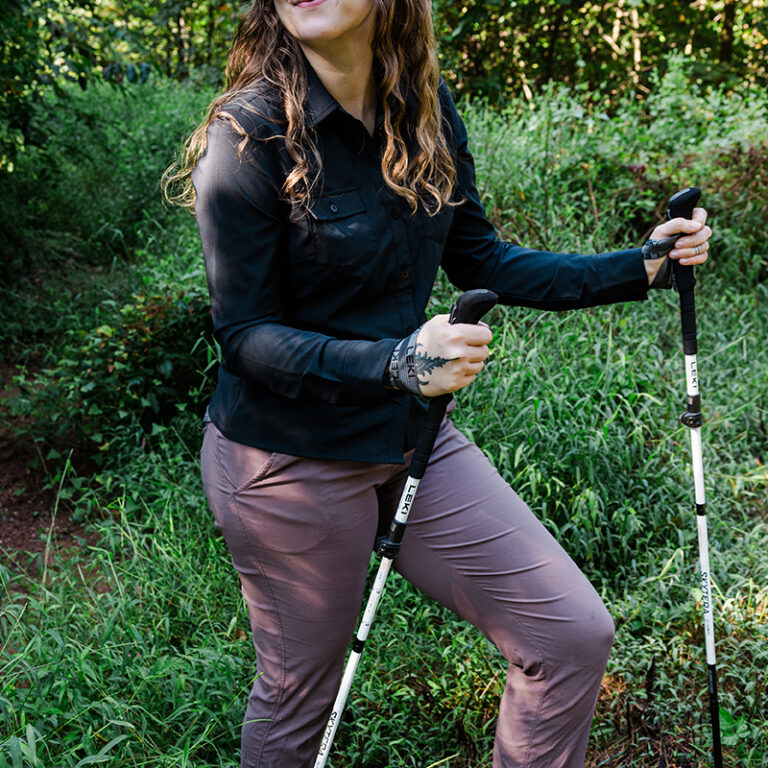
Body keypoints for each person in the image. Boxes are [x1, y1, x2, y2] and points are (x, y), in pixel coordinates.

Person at [164, 1, 712, 766]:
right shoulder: (248, 135)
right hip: (285, 460)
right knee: (302, 697)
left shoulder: (422, 111)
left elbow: (481, 259)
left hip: (406, 433)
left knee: (568, 633)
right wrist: (396, 362)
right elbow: (246, 337)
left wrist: (640, 264)